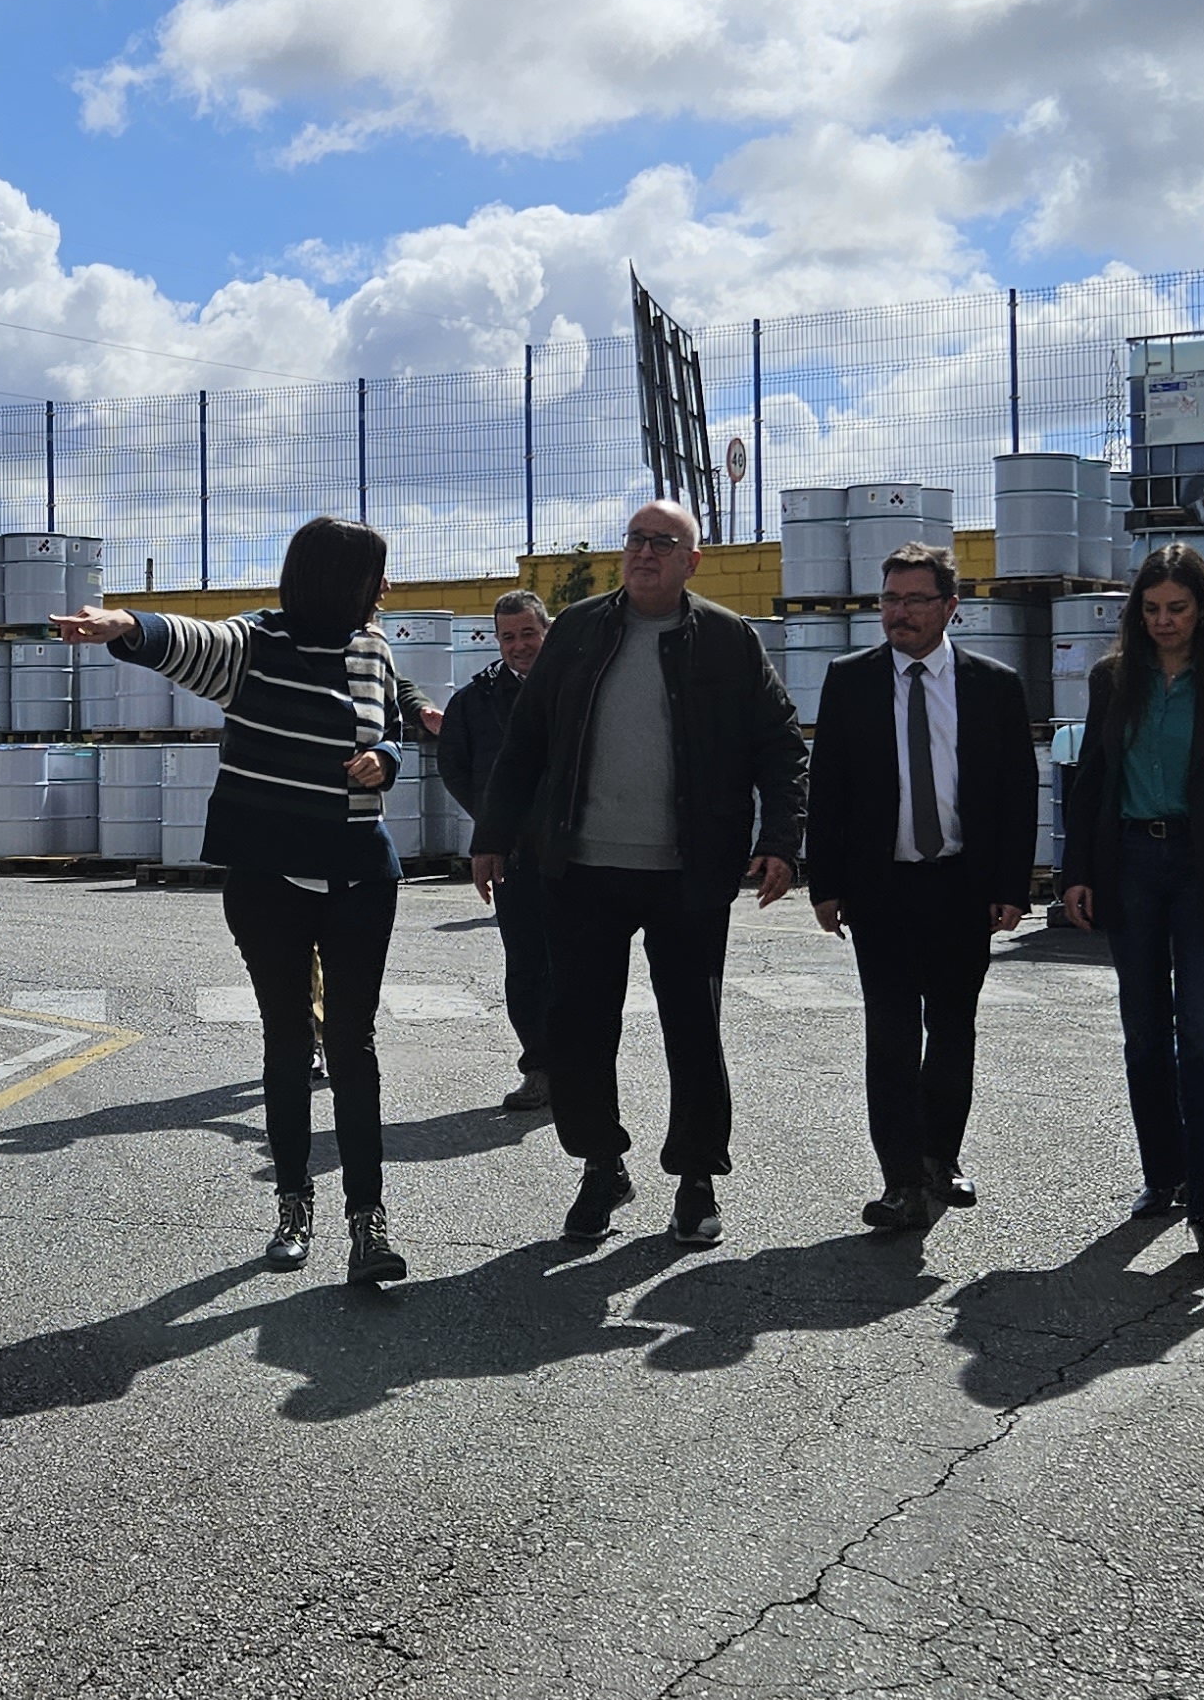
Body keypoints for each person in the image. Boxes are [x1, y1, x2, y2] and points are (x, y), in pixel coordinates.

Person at [57, 517, 424, 1288]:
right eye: (377, 575)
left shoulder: (375, 648)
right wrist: (124, 624)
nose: (386, 589)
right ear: (342, 579)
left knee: (353, 1049)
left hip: (362, 871)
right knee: (288, 1043)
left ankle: (369, 1225)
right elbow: (189, 640)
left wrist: (384, 758)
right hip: (270, 876)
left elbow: (389, 725)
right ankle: (294, 1208)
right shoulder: (258, 647)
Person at [471, 500, 806, 1247]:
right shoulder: (580, 632)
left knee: (693, 1029)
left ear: (693, 561)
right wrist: (493, 834)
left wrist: (782, 839)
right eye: (636, 540)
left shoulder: (727, 639)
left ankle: (695, 1177)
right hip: (582, 868)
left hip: (688, 874)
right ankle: (601, 1167)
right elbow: (525, 742)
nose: (644, 553)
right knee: (581, 1028)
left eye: (664, 543)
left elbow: (780, 744)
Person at [1057, 541, 1204, 1265]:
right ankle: (1161, 1175)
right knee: (1142, 1033)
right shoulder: (1112, 679)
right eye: (1152, 610)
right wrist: (1076, 873)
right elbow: (1090, 781)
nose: (1164, 622)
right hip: (1130, 862)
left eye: (1178, 610)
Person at [803, 542, 1038, 1233]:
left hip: (962, 887)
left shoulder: (994, 685)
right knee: (891, 1037)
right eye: (890, 600)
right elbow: (831, 789)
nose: (898, 614)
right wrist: (827, 882)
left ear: (950, 608)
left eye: (913, 600)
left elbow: (1016, 795)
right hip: (882, 891)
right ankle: (901, 1180)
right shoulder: (851, 681)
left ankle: (942, 1156)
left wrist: (1012, 887)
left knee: (953, 1030)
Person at [435, 588, 557, 1113]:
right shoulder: (475, 701)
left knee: (581, 965)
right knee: (527, 965)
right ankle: (540, 1069)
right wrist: (494, 823)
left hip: (579, 852)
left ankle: (583, 1067)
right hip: (513, 856)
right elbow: (453, 767)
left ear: (546, 632)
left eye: (528, 633)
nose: (519, 646)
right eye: (508, 637)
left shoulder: (576, 688)